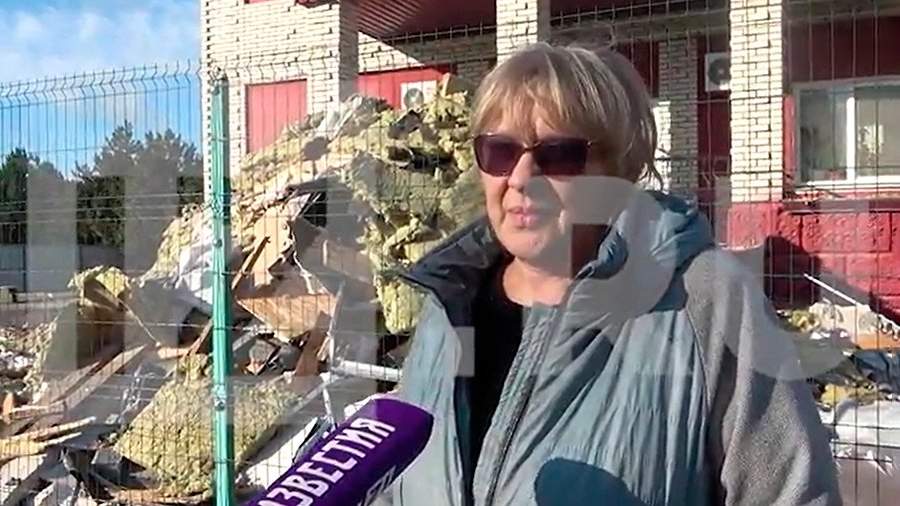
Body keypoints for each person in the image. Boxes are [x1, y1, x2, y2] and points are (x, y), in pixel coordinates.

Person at [383, 42, 841, 506]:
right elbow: (397, 485)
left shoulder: (706, 300)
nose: (521, 178)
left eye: (558, 155)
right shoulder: (448, 305)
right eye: (500, 151)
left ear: (618, 169)